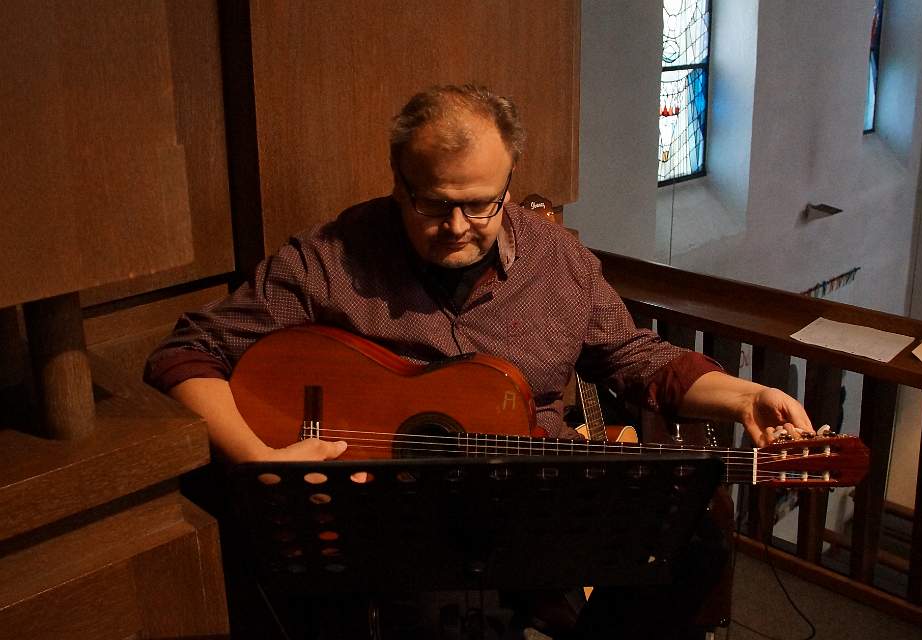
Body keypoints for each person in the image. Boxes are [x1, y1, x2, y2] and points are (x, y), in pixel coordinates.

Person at [145, 84, 814, 638]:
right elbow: (186, 352)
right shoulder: (330, 259)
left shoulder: (558, 262)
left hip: (534, 493)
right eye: (435, 204)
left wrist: (743, 397)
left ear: (508, 183)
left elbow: (636, 356)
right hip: (393, 515)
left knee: (692, 543)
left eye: (481, 204)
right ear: (399, 183)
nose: (459, 226)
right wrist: (258, 460)